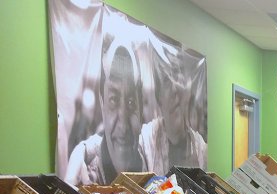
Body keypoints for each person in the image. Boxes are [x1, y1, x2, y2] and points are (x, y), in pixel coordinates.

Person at [65, 37, 144, 186]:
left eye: (131, 102)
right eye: (113, 99)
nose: (123, 126)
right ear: (102, 104)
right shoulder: (88, 179)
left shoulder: (150, 154)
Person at [139, 45, 208, 175]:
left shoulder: (201, 149)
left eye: (177, 77)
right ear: (159, 99)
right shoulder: (146, 141)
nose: (175, 89)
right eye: (166, 81)